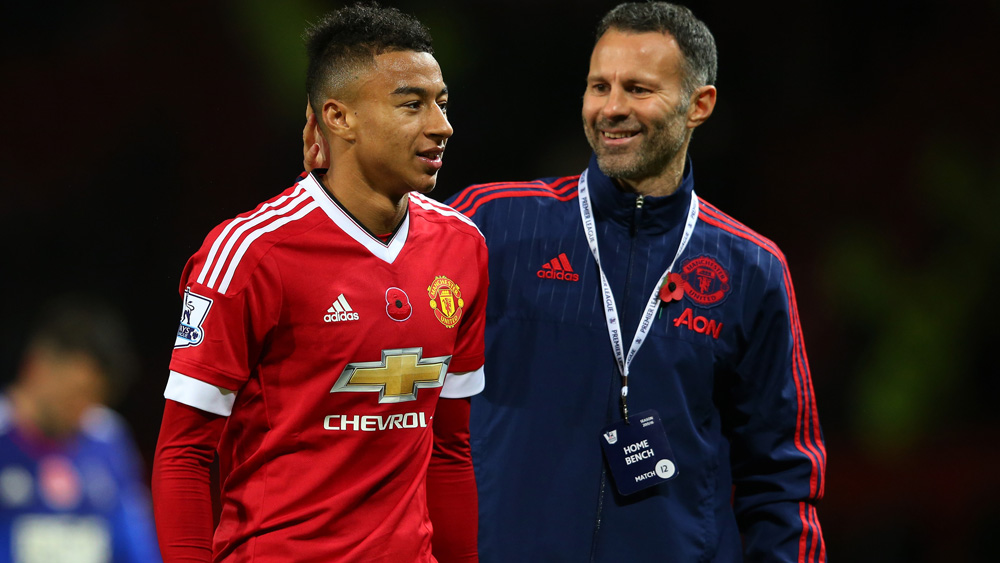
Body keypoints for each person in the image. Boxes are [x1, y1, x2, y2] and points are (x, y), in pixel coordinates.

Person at [448, 2, 826, 561]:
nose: (612, 108)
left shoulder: (751, 268)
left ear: (699, 105)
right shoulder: (491, 223)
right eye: (599, 86)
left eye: (639, 89)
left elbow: (782, 475)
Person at [153, 3, 487, 562]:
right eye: (412, 105)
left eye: (442, 104)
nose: (441, 125)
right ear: (339, 117)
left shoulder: (462, 247)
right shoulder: (251, 254)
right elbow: (184, 454)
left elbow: (449, 450)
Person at [0, 296, 162, 563]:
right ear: (37, 365)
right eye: (76, 393)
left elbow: (137, 546)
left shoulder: (108, 437)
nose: (84, 409)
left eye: (96, 396)